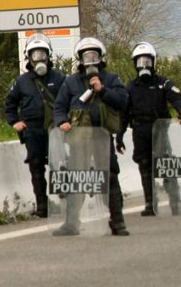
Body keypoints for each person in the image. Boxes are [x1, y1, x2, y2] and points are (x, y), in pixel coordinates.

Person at [52, 37, 130, 236]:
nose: (90, 59)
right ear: (79, 58)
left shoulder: (111, 78)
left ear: (101, 56)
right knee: (77, 178)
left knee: (110, 177)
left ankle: (118, 222)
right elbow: (59, 106)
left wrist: (102, 90)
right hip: (79, 138)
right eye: (86, 55)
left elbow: (122, 101)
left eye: (94, 55)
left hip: (103, 137)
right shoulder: (70, 82)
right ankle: (71, 223)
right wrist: (62, 121)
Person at [123, 42, 181, 216]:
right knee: (144, 165)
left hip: (159, 129)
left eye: (147, 61)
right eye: (140, 61)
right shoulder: (130, 87)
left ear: (153, 62)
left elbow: (176, 97)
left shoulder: (163, 82)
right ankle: (150, 204)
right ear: (134, 63)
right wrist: (119, 135)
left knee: (165, 164)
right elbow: (124, 112)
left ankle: (176, 203)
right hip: (139, 129)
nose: (144, 65)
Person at [4, 34, 65, 218]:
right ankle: (42, 207)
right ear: (28, 57)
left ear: (49, 55)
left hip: (55, 130)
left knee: (60, 166)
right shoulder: (21, 82)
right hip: (32, 131)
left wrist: (66, 121)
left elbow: (69, 101)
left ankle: (65, 202)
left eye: (43, 54)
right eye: (35, 54)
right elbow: (10, 104)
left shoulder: (60, 78)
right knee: (36, 167)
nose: (39, 58)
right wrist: (15, 121)